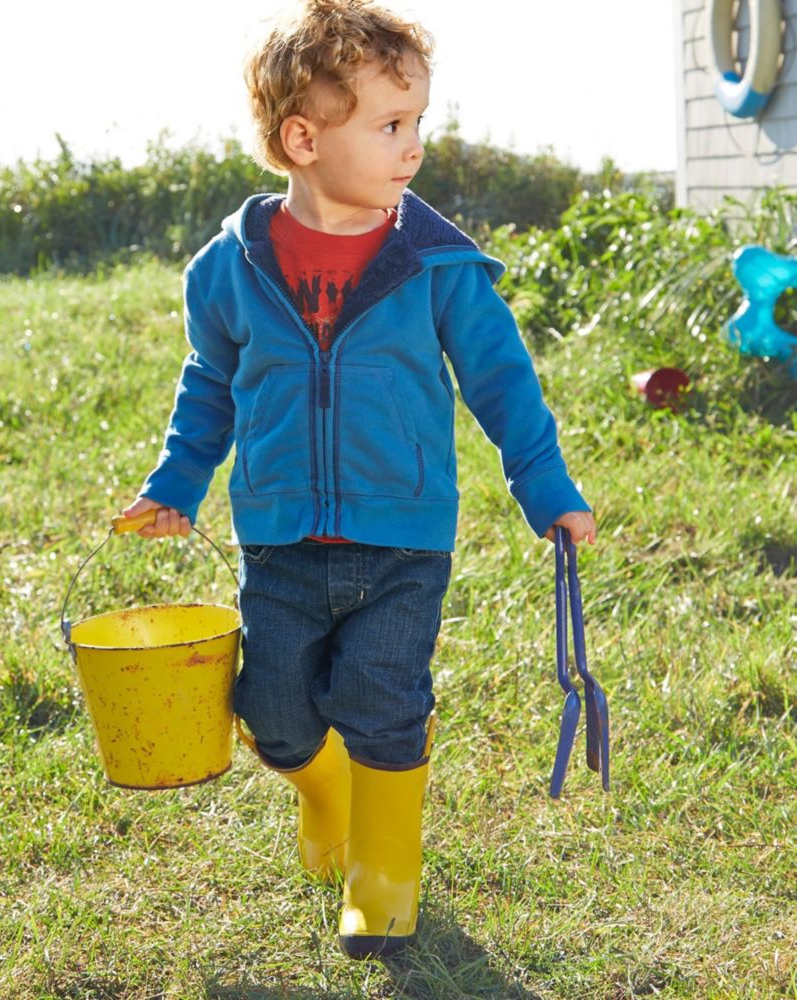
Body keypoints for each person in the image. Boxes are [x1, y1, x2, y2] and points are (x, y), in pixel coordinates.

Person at [122, 0, 596, 959]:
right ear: (302, 139)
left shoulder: (436, 266)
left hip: (402, 536)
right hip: (280, 535)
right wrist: (177, 481)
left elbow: (500, 380)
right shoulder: (230, 268)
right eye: (388, 125)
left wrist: (544, 486)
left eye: (417, 122)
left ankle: (382, 872)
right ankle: (326, 795)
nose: (413, 147)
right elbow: (210, 381)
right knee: (276, 716)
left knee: (382, 698)